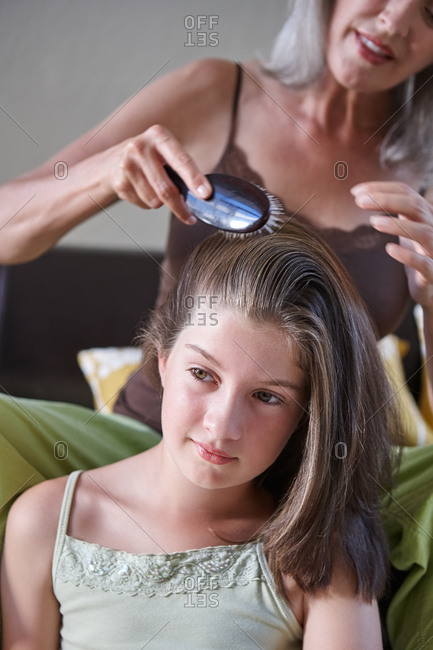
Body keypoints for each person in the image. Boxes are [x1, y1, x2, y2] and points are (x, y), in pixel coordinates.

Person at [1, 0, 433, 646]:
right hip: (143, 440)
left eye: (429, 10)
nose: (395, 20)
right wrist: (99, 175)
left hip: (326, 461)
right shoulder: (216, 90)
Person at [1, 223, 399, 649]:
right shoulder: (47, 522)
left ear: (307, 416)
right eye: (202, 374)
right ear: (163, 361)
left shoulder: (316, 557)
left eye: (266, 396)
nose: (222, 426)